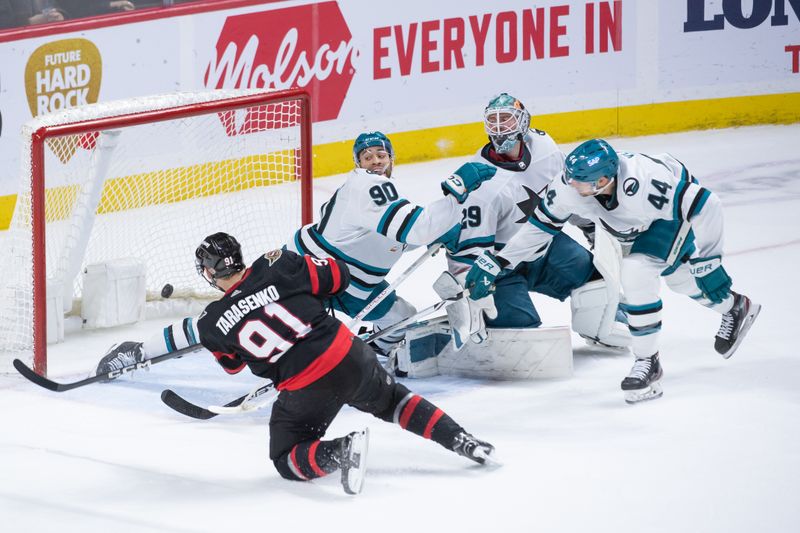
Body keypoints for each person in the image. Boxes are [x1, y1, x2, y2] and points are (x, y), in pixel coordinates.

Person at [97, 232, 495, 494]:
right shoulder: (278, 263)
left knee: (286, 459)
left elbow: (234, 366)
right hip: (349, 351)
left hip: (306, 385)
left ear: (206, 273)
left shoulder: (211, 322)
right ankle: (464, 441)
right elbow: (337, 276)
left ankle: (341, 451)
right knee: (393, 400)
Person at [465, 138, 761, 403]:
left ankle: (647, 362)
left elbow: (707, 204)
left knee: (636, 273)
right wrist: (500, 261)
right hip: (639, 224)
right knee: (681, 281)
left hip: (666, 218)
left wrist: (709, 261)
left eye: (578, 182)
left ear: (603, 181)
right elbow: (539, 228)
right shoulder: (571, 184)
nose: (569, 186)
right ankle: (735, 306)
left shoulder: (645, 183)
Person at [287, 131, 496, 356]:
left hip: (336, 272)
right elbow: (416, 229)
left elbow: (390, 236)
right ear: (358, 163)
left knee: (402, 316)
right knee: (301, 339)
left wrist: (437, 231)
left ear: (391, 159)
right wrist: (456, 193)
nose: (376, 161)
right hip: (319, 275)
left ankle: (380, 348)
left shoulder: (359, 189)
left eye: (381, 155)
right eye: (367, 157)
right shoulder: (367, 185)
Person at [448, 93, 628, 345]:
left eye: (507, 119)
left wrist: (590, 229)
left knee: (596, 278)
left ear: (524, 122)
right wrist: (471, 288)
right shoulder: (481, 181)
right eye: (494, 120)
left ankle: (596, 329)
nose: (500, 127)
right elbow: (467, 248)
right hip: (501, 268)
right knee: (524, 334)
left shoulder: (545, 147)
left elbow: (568, 193)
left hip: (545, 246)